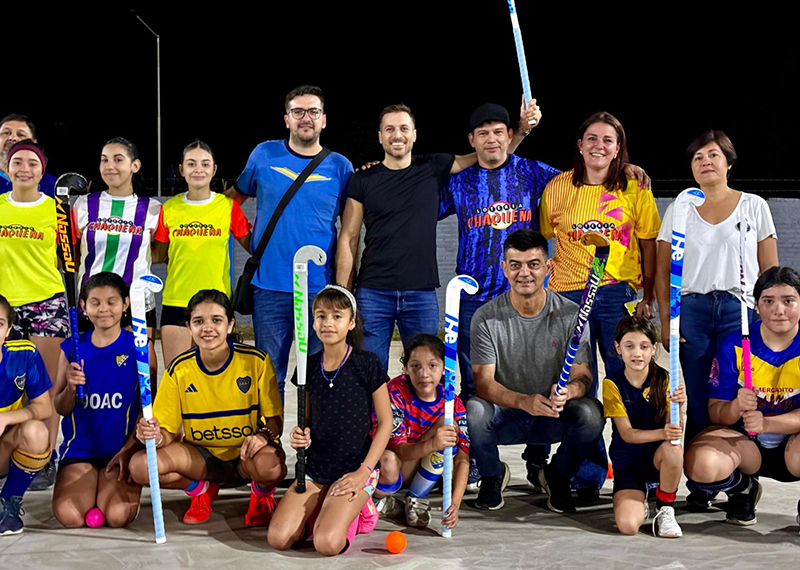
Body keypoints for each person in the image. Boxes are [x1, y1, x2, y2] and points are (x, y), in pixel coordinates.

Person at [336, 100, 541, 372]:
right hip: (373, 293)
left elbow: (490, 153)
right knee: (369, 372)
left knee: (427, 375)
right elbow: (348, 238)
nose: (397, 135)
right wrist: (342, 292)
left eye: (403, 128)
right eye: (389, 129)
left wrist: (523, 130)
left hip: (420, 294)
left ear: (414, 134)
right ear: (380, 136)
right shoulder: (363, 179)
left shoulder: (433, 167)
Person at [655, 130, 777, 508]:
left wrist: (769, 319)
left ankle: (742, 482)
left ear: (728, 162)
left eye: (713, 155)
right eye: (698, 158)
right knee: (694, 396)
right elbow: (663, 271)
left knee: (737, 394)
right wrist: (666, 321)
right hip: (691, 310)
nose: (705, 162)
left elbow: (770, 270)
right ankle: (702, 485)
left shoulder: (754, 206)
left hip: (739, 311)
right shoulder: (679, 209)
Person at [230, 85, 353, 400]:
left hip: (319, 290)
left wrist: (342, 288)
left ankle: (313, 433)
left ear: (324, 119)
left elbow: (351, 232)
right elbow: (230, 203)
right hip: (269, 288)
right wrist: (249, 243)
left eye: (313, 111)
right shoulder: (263, 155)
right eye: (298, 111)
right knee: (270, 379)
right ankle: (272, 435)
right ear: (287, 119)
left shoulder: (341, 166)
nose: (306, 118)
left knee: (320, 378)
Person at [467, 229, 604, 513]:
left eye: (533, 264)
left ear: (548, 267)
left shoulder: (571, 314)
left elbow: (583, 376)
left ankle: (557, 476)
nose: (524, 273)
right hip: (508, 415)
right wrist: (523, 401)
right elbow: (483, 384)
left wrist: (570, 391)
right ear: (504, 268)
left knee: (592, 413)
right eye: (515, 265)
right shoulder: (486, 317)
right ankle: (493, 475)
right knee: (474, 410)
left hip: (553, 413)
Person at [130, 290, 285, 527]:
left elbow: (275, 421)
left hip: (246, 455)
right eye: (198, 321)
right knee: (140, 467)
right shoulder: (179, 369)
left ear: (230, 325)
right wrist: (154, 436)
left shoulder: (256, 361)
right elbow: (167, 433)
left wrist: (263, 436)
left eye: (216, 320)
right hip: (200, 457)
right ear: (189, 327)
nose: (207, 328)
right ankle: (200, 490)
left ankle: (261, 495)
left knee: (272, 467)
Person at [267, 286, 392, 556]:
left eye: (337, 316)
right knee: (278, 538)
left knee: (327, 543)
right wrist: (301, 434)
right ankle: (324, 505)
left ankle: (361, 510)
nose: (328, 323)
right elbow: (307, 420)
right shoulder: (308, 367)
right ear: (313, 323)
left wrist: (363, 472)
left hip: (355, 469)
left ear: (351, 322)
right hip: (316, 468)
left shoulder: (367, 363)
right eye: (321, 316)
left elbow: (386, 423)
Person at [684, 266, 800, 527]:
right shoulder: (734, 345)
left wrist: (768, 423)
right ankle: (742, 488)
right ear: (756, 306)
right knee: (702, 464)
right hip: (747, 445)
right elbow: (716, 411)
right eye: (768, 301)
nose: (778, 310)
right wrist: (736, 406)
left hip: (793, 445)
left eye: (788, 301)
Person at [51, 273, 141, 528]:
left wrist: (129, 450)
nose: (103, 309)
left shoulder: (138, 348)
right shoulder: (72, 347)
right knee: (70, 516)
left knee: (117, 516)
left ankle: (108, 490)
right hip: (80, 451)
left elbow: (147, 410)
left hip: (121, 451)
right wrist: (70, 388)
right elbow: (60, 407)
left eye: (112, 302)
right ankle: (92, 485)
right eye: (95, 302)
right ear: (83, 306)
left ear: (125, 304)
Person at [0, 140, 65, 489]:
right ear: (7, 168)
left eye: (32, 163)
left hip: (45, 302)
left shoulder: (57, 211)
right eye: (17, 162)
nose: (24, 169)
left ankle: (44, 458)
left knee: (45, 387)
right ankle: (9, 450)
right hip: (4, 305)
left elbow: (69, 257)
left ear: (43, 171)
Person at [154, 140, 251, 367]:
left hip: (216, 302)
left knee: (215, 376)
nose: (199, 169)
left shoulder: (227, 207)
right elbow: (158, 255)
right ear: (181, 169)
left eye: (205, 164)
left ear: (214, 169)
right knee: (177, 375)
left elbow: (254, 247)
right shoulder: (169, 208)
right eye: (191, 164)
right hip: (177, 301)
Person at [72, 137, 161, 378]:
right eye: (104, 160)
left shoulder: (153, 209)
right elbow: (72, 256)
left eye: (118, 159)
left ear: (135, 165)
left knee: (140, 374)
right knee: (92, 373)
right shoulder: (83, 205)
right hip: (92, 303)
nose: (110, 166)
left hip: (137, 304)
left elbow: (160, 253)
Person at [373, 333, 470, 530]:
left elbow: (462, 457)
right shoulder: (395, 392)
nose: (424, 374)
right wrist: (432, 444)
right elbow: (398, 450)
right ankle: (376, 499)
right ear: (405, 369)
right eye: (415, 366)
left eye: (432, 366)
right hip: (397, 467)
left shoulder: (452, 403)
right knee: (388, 460)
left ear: (444, 368)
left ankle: (416, 498)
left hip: (423, 469)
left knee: (448, 428)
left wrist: (455, 503)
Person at [603, 316, 685, 538]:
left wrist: (677, 407)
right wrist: (662, 433)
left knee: (674, 450)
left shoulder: (665, 379)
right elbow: (627, 434)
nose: (637, 353)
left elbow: (675, 431)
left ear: (653, 349)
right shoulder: (612, 384)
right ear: (618, 348)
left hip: (657, 459)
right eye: (629, 346)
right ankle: (641, 497)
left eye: (644, 346)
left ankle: (665, 507)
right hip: (628, 463)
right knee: (628, 526)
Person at [0, 293, 53, 535]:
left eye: (0, 323)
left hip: (4, 449)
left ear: (8, 329)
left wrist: (6, 419)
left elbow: (44, 407)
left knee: (37, 432)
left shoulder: (24, 354)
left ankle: (8, 504)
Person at [0, 114, 57, 197]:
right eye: (6, 133)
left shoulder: (51, 185)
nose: (12, 138)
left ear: (34, 144)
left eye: (21, 134)